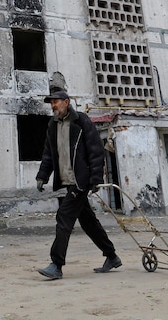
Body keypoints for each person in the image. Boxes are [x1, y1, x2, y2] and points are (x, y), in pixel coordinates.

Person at [35, 90, 121, 280]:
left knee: (63, 218)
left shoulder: (81, 122)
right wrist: (42, 176)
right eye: (51, 103)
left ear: (66, 102)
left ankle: (56, 265)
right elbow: (49, 153)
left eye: (56, 102)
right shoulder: (53, 125)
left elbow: (96, 150)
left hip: (80, 181)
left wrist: (95, 179)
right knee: (88, 222)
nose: (53, 106)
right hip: (67, 181)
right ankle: (112, 256)